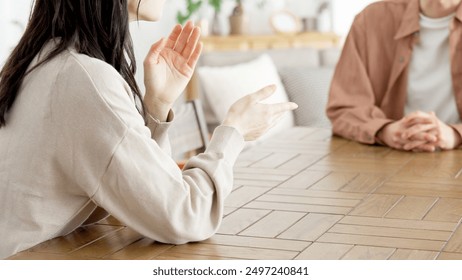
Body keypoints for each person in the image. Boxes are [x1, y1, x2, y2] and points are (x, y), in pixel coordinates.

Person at [0, 0, 297, 259]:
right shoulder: (86, 80)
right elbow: (184, 214)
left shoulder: (41, 59)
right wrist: (233, 133)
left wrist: (156, 105)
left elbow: (141, 197)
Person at [327, 0, 462, 152]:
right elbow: (344, 108)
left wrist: (455, 134)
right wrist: (385, 130)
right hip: (385, 158)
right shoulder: (371, 19)